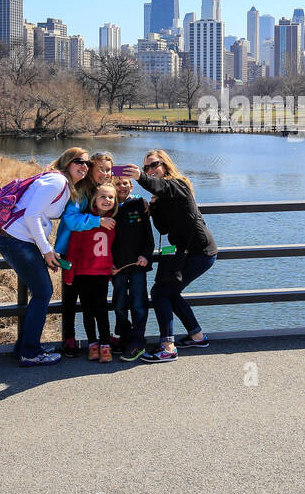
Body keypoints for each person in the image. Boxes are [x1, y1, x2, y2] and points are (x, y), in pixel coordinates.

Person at [0, 147, 96, 366]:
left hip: (19, 241)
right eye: (79, 161)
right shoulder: (56, 182)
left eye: (88, 164)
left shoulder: (64, 184)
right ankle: (30, 352)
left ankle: (25, 347)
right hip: (17, 241)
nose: (84, 167)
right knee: (43, 292)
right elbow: (32, 215)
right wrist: (46, 250)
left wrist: (48, 249)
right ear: (67, 162)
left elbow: (39, 216)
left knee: (41, 292)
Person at [122, 150, 218, 362]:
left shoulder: (178, 184)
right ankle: (197, 335)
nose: (150, 170)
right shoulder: (162, 195)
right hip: (183, 253)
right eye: (146, 167)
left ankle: (167, 347)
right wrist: (153, 206)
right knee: (170, 292)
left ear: (165, 165)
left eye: (154, 165)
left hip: (200, 252)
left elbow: (158, 185)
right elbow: (163, 228)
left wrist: (140, 177)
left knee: (160, 292)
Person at [52, 151, 117, 356]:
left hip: (95, 257)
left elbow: (118, 200)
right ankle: (69, 338)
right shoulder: (79, 191)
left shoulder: (105, 191)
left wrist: (137, 200)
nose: (105, 174)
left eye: (109, 170)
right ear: (90, 168)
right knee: (71, 296)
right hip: (70, 250)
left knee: (97, 300)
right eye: (101, 169)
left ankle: (105, 338)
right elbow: (71, 220)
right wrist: (98, 221)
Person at [64, 183, 120, 362]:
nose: (107, 200)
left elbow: (111, 250)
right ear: (94, 200)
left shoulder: (113, 222)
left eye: (111, 197)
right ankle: (92, 344)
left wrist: (111, 269)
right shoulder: (84, 221)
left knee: (102, 309)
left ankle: (105, 344)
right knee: (88, 311)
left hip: (102, 274)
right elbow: (73, 250)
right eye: (102, 197)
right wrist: (69, 274)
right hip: (83, 273)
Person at [110, 175, 154, 362]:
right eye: (117, 184)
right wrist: (108, 263)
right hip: (117, 267)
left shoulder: (139, 205)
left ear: (131, 185)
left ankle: (137, 341)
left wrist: (146, 255)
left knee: (138, 304)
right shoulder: (106, 206)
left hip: (137, 265)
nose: (121, 187)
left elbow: (148, 236)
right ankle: (125, 337)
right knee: (119, 304)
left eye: (125, 184)